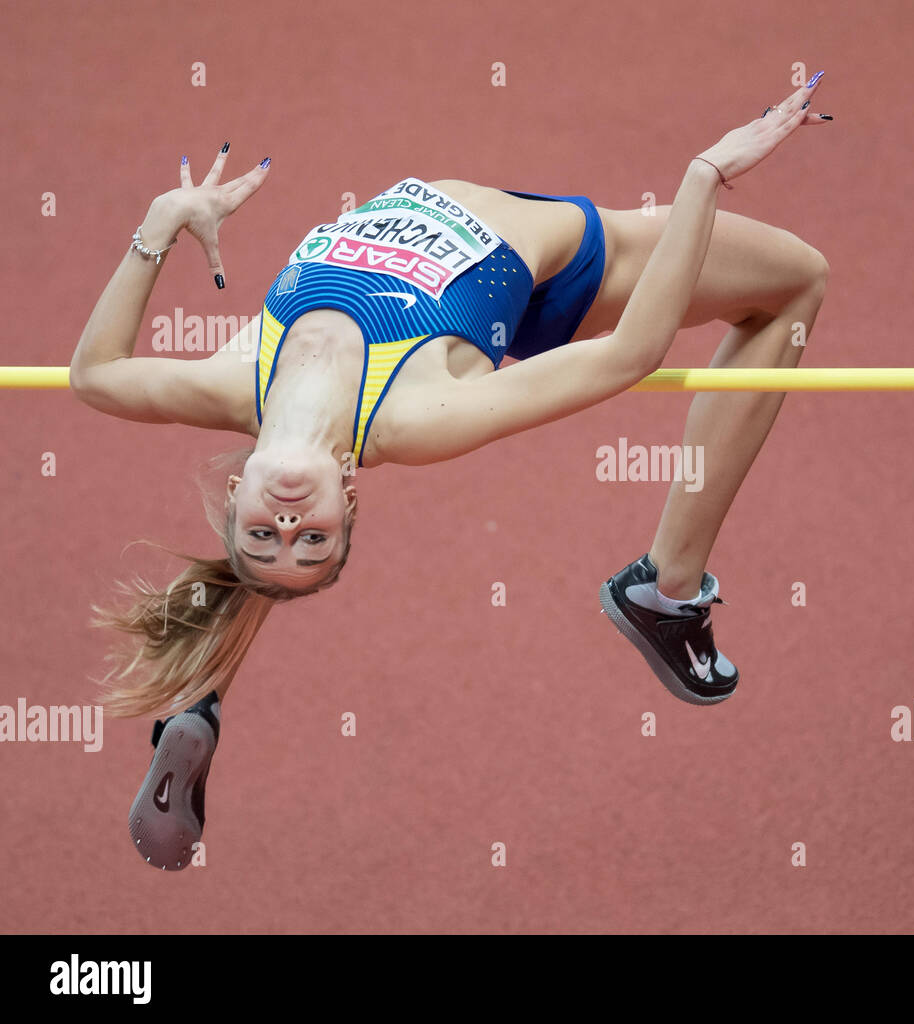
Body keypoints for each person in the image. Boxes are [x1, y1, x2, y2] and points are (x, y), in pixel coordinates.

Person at [71, 72, 832, 869]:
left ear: (237, 491)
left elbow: (94, 375)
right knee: (797, 280)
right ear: (349, 493)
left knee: (276, 501)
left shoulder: (232, 381)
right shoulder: (416, 417)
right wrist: (702, 180)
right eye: (313, 537)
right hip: (570, 265)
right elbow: (630, 354)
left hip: (482, 269)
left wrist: (161, 222)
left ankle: (204, 683)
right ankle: (667, 589)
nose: (290, 521)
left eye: (267, 531)